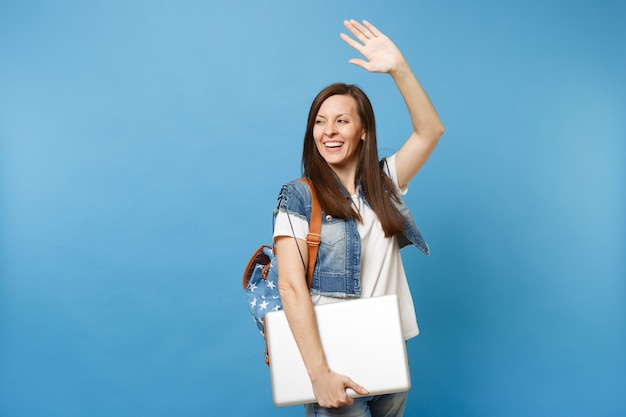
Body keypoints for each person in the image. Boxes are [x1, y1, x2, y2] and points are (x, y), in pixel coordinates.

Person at [273, 19, 444, 417]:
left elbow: (430, 131)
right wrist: (318, 374)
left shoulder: (384, 183)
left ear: (363, 130)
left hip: (388, 353)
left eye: (342, 120)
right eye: (320, 121)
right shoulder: (300, 195)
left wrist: (399, 69)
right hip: (334, 361)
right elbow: (290, 287)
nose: (328, 131)